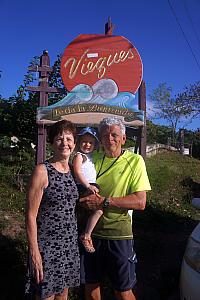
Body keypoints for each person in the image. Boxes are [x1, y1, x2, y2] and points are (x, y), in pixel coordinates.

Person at [80, 116, 151, 300]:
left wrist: (104, 202)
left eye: (114, 134)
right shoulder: (91, 159)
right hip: (91, 234)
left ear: (124, 138)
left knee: (123, 290)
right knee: (91, 284)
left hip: (119, 234)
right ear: (100, 139)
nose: (109, 138)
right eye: (105, 135)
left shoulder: (135, 161)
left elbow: (140, 202)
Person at [25, 120, 80, 300]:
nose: (65, 143)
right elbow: (31, 215)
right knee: (45, 295)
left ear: (74, 143)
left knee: (63, 295)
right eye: (59, 139)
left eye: (69, 139)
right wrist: (34, 251)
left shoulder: (73, 171)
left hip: (69, 245)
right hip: (47, 247)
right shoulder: (42, 171)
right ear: (51, 143)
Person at [73, 127, 103, 253]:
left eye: (91, 142)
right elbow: (78, 172)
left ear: (95, 145)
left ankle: (86, 234)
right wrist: (88, 186)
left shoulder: (91, 157)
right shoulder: (79, 156)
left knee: (97, 211)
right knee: (99, 209)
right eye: (84, 141)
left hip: (90, 185)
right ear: (79, 142)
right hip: (83, 186)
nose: (87, 145)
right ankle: (86, 235)